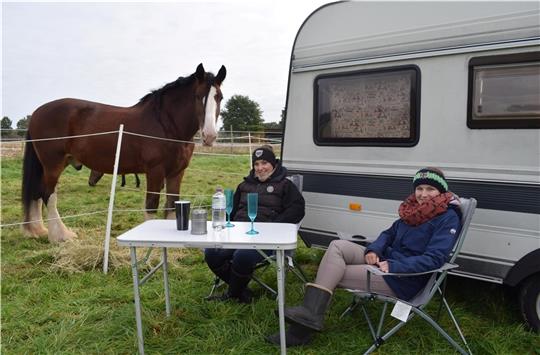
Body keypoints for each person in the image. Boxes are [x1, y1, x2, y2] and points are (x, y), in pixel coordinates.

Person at [267, 167, 461, 346]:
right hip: (383, 259)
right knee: (337, 246)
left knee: (332, 274)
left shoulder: (447, 217)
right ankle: (310, 316)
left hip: (402, 277)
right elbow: (387, 235)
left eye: (430, 189)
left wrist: (394, 266)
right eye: (419, 188)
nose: (423, 194)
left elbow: (435, 259)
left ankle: (300, 331)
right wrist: (373, 250)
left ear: (441, 192)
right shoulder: (413, 211)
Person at [204, 145, 305, 304]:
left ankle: (232, 294)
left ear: (274, 164)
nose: (260, 168)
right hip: (238, 234)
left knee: (242, 256)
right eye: (256, 164)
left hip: (267, 237)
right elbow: (232, 211)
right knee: (211, 253)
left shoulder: (285, 185)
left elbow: (297, 210)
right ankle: (242, 291)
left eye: (264, 163)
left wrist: (273, 225)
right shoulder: (244, 186)